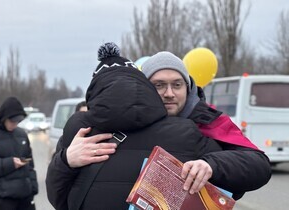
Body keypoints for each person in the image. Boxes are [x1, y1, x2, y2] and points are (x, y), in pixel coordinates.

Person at [46, 43, 271, 210]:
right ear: (144, 88)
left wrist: (211, 164)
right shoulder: (121, 122)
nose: (169, 93)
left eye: (177, 84)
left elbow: (258, 165)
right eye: (159, 85)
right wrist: (66, 160)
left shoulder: (206, 119)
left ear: (188, 87)